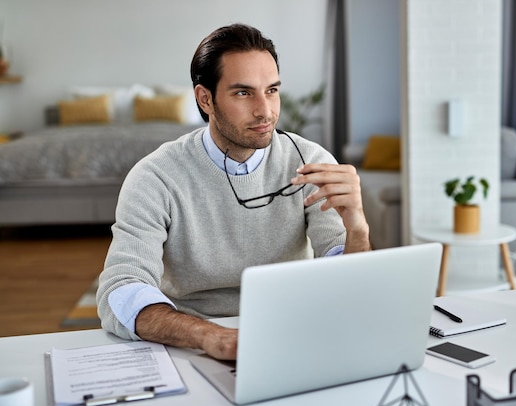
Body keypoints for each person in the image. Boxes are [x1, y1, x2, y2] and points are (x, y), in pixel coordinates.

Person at [96, 23, 370, 361]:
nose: (265, 111)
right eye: (243, 93)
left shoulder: (310, 161)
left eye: (272, 90)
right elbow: (121, 289)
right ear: (205, 99)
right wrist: (210, 336)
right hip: (192, 342)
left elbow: (346, 284)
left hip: (293, 333)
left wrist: (357, 229)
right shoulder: (155, 177)